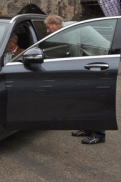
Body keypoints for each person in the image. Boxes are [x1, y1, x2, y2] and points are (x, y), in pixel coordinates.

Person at [44, 13, 105, 144]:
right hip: (94, 60)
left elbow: (74, 47)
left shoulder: (68, 29)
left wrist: (76, 68)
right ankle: (87, 128)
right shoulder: (69, 27)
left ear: (56, 24)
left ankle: (99, 134)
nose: (47, 31)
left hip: (100, 61)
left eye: (48, 27)